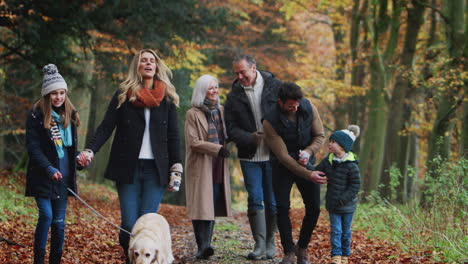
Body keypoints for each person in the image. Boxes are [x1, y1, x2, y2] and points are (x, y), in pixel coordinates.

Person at [77, 49, 182, 262]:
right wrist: (90, 150)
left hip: (156, 170)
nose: (148, 63)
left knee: (146, 224)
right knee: (128, 225)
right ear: (137, 66)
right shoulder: (124, 95)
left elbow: (173, 137)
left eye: (152, 60)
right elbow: (106, 126)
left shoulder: (167, 100)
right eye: (144, 60)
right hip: (128, 168)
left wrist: (176, 168)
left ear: (157, 66)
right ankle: (130, 255)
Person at [224, 54, 281, 260]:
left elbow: (287, 115)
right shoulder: (233, 97)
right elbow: (230, 129)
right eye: (236, 73)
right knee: (255, 198)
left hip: (275, 154)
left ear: (253, 68)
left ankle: (270, 242)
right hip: (250, 156)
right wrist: (249, 137)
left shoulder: (275, 87)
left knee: (273, 201)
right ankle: (259, 244)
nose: (239, 76)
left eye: (243, 72)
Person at [263, 82, 327, 264]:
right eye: (291, 105)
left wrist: (308, 152)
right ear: (280, 102)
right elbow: (283, 156)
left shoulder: (309, 107)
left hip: (306, 160)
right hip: (282, 166)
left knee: (314, 207)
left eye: (297, 104)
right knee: (282, 208)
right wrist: (308, 174)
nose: (295, 108)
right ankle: (289, 251)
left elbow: (319, 136)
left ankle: (302, 247)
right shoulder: (269, 121)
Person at [26, 64, 81, 264]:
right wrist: (48, 168)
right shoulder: (36, 116)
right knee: (46, 216)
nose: (58, 97)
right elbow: (33, 148)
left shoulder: (71, 117)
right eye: (54, 93)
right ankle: (38, 260)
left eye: (62, 93)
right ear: (47, 95)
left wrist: (80, 160)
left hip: (63, 179)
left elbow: (71, 150)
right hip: (43, 176)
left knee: (59, 224)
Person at [184, 74, 232, 259]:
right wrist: (217, 148)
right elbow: (193, 142)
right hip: (201, 164)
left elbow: (228, 132)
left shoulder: (222, 110)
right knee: (200, 205)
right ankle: (202, 246)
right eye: (210, 88)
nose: (214, 91)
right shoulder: (192, 113)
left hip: (219, 163)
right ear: (201, 91)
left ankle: (207, 245)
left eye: (216, 87)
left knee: (211, 204)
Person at [315, 125, 361, 264]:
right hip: (333, 205)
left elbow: (355, 186)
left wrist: (343, 199)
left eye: (333, 142)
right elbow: (317, 172)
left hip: (347, 206)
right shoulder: (328, 161)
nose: (330, 143)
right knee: (336, 231)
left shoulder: (351, 165)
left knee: (346, 232)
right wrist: (306, 166)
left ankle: (345, 256)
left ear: (342, 146)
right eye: (330, 141)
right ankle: (336, 255)